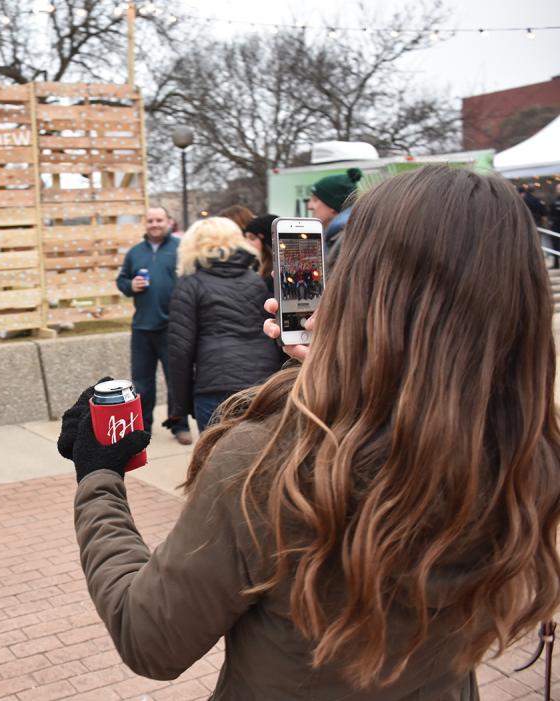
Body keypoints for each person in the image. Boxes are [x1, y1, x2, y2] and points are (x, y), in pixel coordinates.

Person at [60, 165, 560, 698]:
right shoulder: (525, 452)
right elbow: (423, 389)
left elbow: (151, 638)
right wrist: (341, 368)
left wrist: (98, 477)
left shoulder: (268, 462)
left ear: (364, 286)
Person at [166, 217, 284, 433]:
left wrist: (180, 405)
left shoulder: (190, 284)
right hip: (262, 383)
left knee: (215, 460)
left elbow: (179, 349)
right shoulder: (254, 280)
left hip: (216, 388)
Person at [115, 206, 192, 445]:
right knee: (142, 384)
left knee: (176, 382)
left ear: (168, 221)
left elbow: (192, 280)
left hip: (173, 327)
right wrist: (130, 285)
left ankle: (179, 425)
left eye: (159, 220)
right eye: (150, 220)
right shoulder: (135, 253)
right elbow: (122, 280)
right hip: (142, 329)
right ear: (145, 223)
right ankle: (142, 428)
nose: (155, 224)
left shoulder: (181, 250)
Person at [309, 167, 361, 264]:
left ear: (333, 205)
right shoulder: (338, 234)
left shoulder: (341, 237)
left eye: (315, 200)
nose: (309, 206)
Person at [242, 213, 278, 295]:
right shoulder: (254, 266)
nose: (247, 242)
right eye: (246, 237)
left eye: (252, 238)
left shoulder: (274, 276)